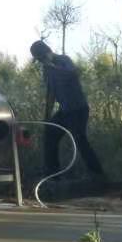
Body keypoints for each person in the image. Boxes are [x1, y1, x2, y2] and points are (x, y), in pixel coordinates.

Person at [29, 39, 105, 180]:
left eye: (41, 58)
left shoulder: (64, 60)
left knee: (80, 139)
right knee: (50, 134)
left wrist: (52, 66)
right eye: (39, 60)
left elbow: (73, 74)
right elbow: (51, 93)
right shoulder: (46, 70)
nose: (41, 61)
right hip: (65, 111)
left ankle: (98, 174)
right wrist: (47, 117)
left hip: (78, 109)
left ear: (47, 52)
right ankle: (52, 175)